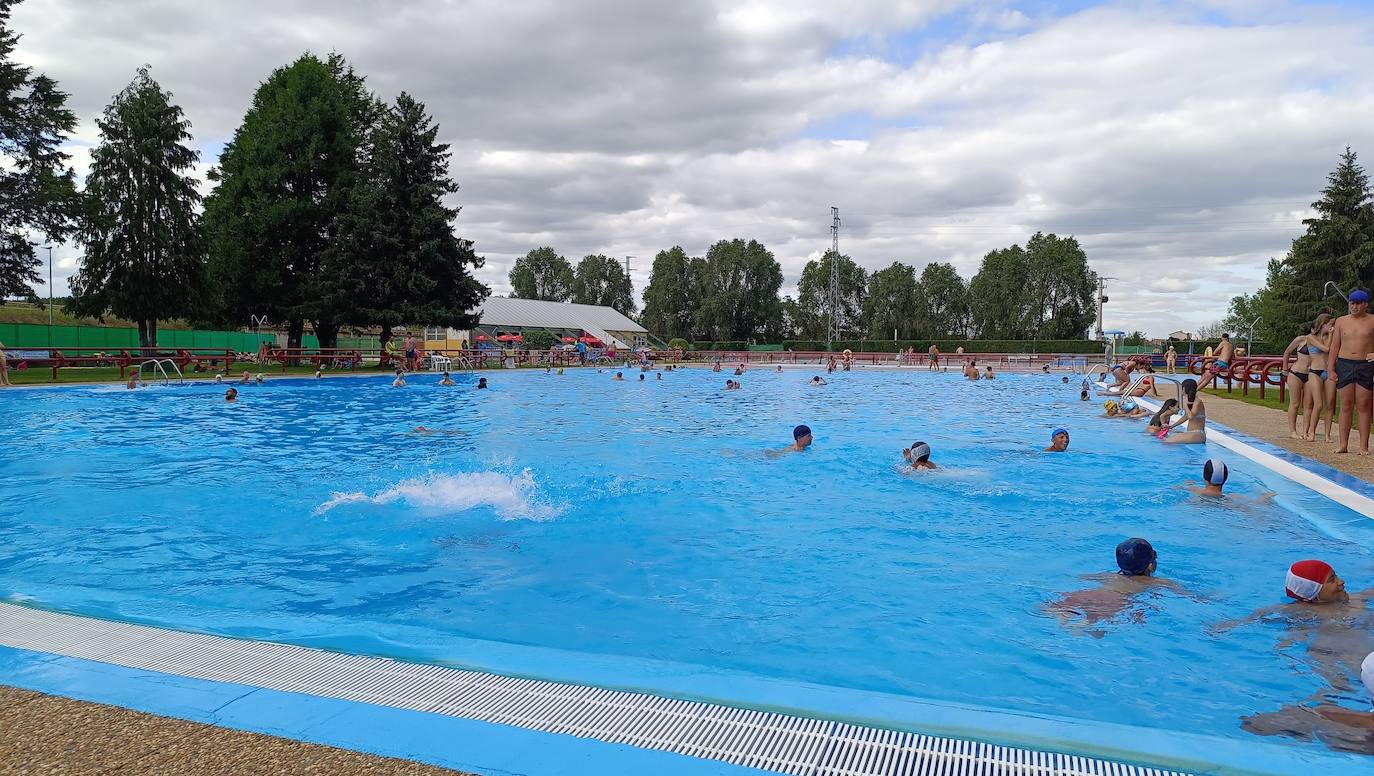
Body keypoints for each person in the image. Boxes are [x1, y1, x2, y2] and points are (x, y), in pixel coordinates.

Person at [1217, 560, 1374, 752]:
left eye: (1336, 575)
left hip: (1361, 652)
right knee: (1337, 686)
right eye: (1332, 580)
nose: (1341, 582)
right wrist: (1230, 625)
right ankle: (1304, 714)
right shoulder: (1300, 611)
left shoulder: (1357, 601)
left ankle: (1310, 718)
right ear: (1314, 595)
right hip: (1330, 652)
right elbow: (1261, 615)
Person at [1047, 538, 1193, 638]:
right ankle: (1080, 627)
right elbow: (1189, 595)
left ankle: (1064, 618)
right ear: (1150, 565)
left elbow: (1083, 577)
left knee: (1061, 610)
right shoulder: (1157, 582)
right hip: (1116, 602)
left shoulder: (1108, 576)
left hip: (1092, 593)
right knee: (1095, 627)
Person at [1329, 290, 1374, 454]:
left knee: (1364, 405)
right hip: (1345, 363)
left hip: (1365, 364)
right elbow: (1334, 346)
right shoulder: (1341, 321)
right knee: (1346, 405)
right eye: (1352, 303)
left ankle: (1363, 446)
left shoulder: (1372, 321)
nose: (1354, 306)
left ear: (1365, 304)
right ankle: (1343, 444)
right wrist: (1330, 368)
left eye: (1358, 303)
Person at [1304, 313, 1336, 442]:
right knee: (1318, 404)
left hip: (1328, 372)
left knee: (1330, 405)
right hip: (1315, 372)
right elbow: (1326, 349)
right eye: (1331, 324)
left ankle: (1327, 435)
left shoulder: (1332, 337)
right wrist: (1331, 335)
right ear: (1323, 324)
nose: (1333, 327)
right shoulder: (1311, 337)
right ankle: (1311, 431)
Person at [1280, 326, 1314, 439]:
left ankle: (1306, 431)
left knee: (1309, 404)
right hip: (1296, 372)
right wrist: (1285, 369)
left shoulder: (1322, 342)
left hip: (1311, 374)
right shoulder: (1301, 339)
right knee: (1295, 403)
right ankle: (1293, 431)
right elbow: (1287, 352)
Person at [1160, 378, 1206, 444]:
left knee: (1168, 441)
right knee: (1165, 439)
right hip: (1192, 433)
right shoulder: (1191, 401)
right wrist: (1172, 426)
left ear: (1185, 389)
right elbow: (1186, 416)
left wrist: (1185, 404)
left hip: (1197, 433)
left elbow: (1190, 417)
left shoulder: (1197, 402)